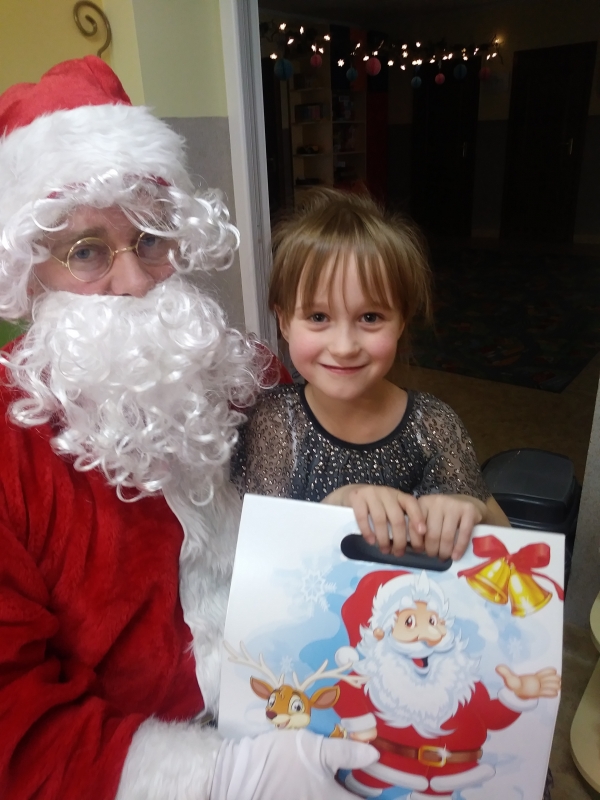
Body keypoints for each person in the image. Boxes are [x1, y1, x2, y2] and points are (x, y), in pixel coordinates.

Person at [0, 57, 377, 800]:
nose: (136, 281)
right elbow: (14, 718)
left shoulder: (245, 372)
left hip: (307, 690)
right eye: (86, 252)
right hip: (144, 764)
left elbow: (331, 510)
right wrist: (218, 778)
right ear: (29, 270)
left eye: (150, 239)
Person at [232, 189, 510, 561]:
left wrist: (472, 513)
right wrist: (334, 511)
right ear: (284, 321)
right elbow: (254, 554)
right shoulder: (273, 422)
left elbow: (508, 550)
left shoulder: (433, 426)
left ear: (401, 322)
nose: (344, 346)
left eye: (370, 317)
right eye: (318, 317)